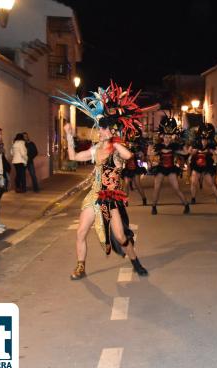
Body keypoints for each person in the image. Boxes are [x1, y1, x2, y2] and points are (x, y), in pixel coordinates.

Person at [56, 81, 148, 279]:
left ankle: (135, 261)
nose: (100, 131)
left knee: (121, 237)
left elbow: (129, 156)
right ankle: (80, 267)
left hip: (111, 198)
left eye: (104, 129)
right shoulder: (95, 149)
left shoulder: (116, 149)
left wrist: (113, 139)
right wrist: (69, 136)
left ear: (112, 131)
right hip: (93, 196)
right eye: (100, 128)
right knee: (80, 232)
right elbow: (73, 157)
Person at [149, 115, 191, 215]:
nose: (167, 139)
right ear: (162, 136)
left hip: (171, 168)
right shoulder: (158, 146)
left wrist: (185, 146)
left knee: (176, 188)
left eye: (169, 137)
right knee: (157, 188)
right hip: (161, 168)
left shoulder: (174, 147)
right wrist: (150, 150)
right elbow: (151, 154)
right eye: (165, 137)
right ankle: (154, 207)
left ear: (171, 137)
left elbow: (185, 153)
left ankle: (186, 205)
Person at [190, 123, 217, 204]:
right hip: (196, 166)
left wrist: (214, 145)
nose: (204, 141)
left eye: (206, 140)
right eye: (203, 140)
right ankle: (193, 199)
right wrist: (194, 151)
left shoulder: (211, 145)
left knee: (211, 183)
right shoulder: (196, 143)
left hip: (206, 167)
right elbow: (189, 151)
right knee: (193, 182)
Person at [120, 128, 148, 205]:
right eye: (129, 134)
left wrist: (139, 155)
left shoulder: (137, 144)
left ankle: (144, 198)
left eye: (132, 134)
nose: (131, 135)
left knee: (138, 184)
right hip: (127, 168)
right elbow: (121, 156)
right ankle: (125, 201)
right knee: (126, 185)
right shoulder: (124, 144)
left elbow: (141, 156)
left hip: (135, 168)